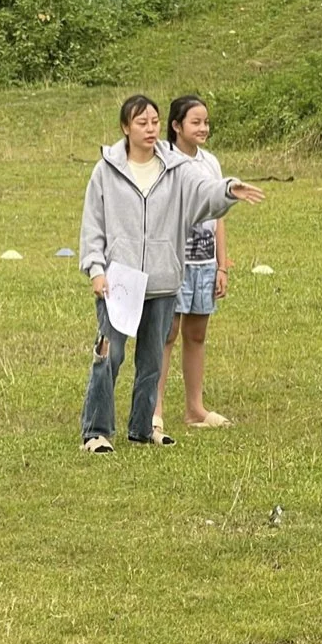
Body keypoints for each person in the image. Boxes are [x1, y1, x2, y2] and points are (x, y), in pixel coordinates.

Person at [78, 95, 264, 454]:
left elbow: (202, 194)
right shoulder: (106, 170)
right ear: (125, 128)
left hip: (162, 279)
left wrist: (228, 190)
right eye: (141, 123)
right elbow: (93, 224)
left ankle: (144, 427)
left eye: (153, 122)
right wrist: (96, 270)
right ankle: (96, 431)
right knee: (109, 354)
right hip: (121, 280)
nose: (149, 129)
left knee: (151, 358)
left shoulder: (175, 168)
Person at [156, 95, 234, 431]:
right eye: (195, 122)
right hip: (172, 261)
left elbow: (217, 216)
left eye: (206, 122)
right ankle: (153, 410)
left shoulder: (210, 162)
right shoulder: (161, 160)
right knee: (166, 333)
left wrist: (222, 265)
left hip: (204, 262)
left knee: (197, 334)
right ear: (176, 126)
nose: (203, 128)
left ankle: (194, 409)